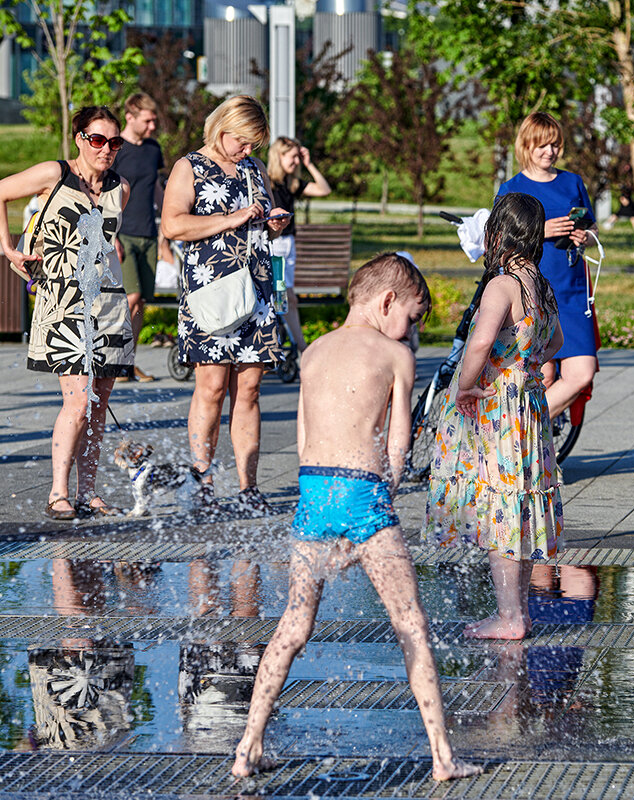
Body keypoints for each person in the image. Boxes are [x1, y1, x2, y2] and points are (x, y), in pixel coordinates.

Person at [231, 253, 481, 782]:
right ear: (388, 301)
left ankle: (247, 746)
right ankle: (443, 757)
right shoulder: (395, 356)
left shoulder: (314, 351)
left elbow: (302, 442)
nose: (410, 331)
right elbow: (397, 446)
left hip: (313, 497)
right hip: (365, 497)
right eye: (412, 318)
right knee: (411, 624)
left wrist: (322, 518)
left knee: (293, 628)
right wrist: (379, 505)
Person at [426, 192, 565, 640]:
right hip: (527, 404)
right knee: (519, 502)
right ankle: (518, 611)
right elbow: (557, 340)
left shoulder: (501, 285)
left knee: (500, 507)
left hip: (495, 404)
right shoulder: (540, 285)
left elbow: (481, 342)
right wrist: (527, 360)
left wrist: (465, 384)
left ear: (498, 234)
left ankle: (509, 617)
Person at [0, 106, 134, 520]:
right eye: (98, 140)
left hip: (108, 304)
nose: (107, 149)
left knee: (99, 405)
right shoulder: (55, 173)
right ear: (80, 139)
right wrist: (8, 247)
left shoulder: (121, 187)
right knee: (79, 399)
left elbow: (110, 243)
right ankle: (58, 492)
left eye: (114, 142)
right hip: (64, 304)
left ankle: (90, 491)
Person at [160, 95, 289, 516]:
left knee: (249, 390)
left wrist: (273, 222)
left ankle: (248, 488)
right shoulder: (190, 166)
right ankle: (203, 483)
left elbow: (261, 218)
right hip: (211, 289)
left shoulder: (252, 169)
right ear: (222, 128)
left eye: (254, 144)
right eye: (244, 142)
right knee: (212, 387)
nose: (248, 151)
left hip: (255, 288)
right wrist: (231, 220)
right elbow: (173, 224)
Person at [497, 112, 597, 419]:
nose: (549, 151)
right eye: (542, 145)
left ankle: (518, 428)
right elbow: (500, 243)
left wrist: (585, 237)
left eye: (554, 144)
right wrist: (540, 231)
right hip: (532, 292)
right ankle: (532, 454)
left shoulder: (572, 182)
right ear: (526, 145)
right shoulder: (510, 188)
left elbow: (594, 234)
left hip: (573, 291)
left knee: (582, 373)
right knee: (544, 377)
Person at [113, 92, 167, 383]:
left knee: (141, 301)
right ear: (130, 116)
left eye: (154, 121)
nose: (152, 127)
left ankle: (128, 363)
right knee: (129, 297)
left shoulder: (152, 149)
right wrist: (111, 235)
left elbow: (156, 188)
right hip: (123, 233)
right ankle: (115, 360)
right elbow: (103, 192)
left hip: (148, 231)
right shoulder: (115, 150)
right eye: (147, 121)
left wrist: (166, 227)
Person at [265, 137, 332, 353]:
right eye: (292, 157)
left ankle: (295, 345)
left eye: (297, 157)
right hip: (274, 246)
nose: (296, 161)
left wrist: (308, 163)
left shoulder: (290, 184)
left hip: (287, 247)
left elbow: (324, 189)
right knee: (285, 297)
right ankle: (302, 348)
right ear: (279, 156)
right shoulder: (267, 182)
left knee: (285, 298)